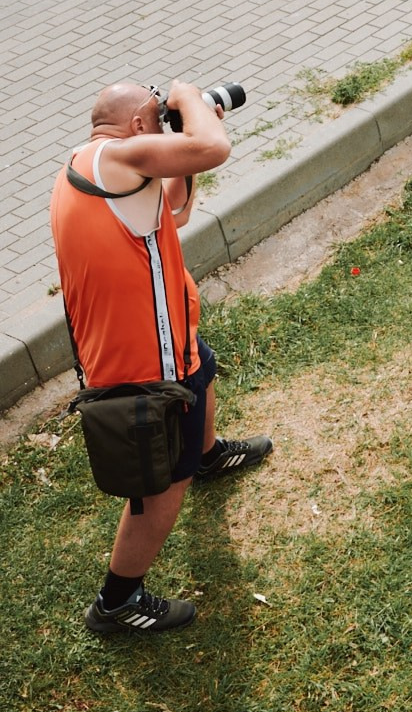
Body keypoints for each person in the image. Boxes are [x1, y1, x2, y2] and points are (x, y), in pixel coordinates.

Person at [57, 81, 272, 637]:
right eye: (159, 118)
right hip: (145, 367)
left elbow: (173, 211)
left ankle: (206, 456)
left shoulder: (96, 167)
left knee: (203, 366)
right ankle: (116, 602)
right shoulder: (118, 157)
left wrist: (192, 129)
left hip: (163, 343)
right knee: (160, 486)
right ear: (136, 126)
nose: (163, 128)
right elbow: (213, 148)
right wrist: (188, 97)